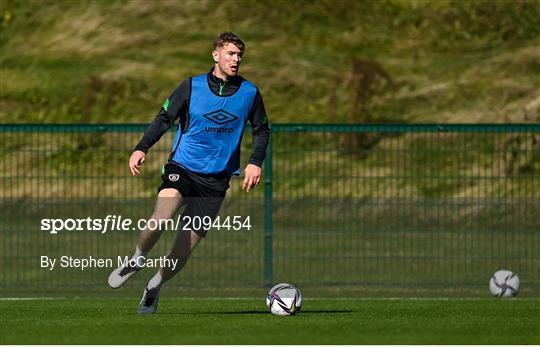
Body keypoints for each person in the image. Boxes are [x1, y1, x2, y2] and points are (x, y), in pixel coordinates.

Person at [107, 32, 269, 314]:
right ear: (216, 55)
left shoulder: (249, 93)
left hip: (216, 181)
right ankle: (136, 259)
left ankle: (154, 286)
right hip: (182, 168)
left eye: (240, 55)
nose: (237, 59)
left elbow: (261, 129)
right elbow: (163, 119)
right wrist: (141, 147)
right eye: (231, 53)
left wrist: (255, 161)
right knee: (160, 219)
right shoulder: (191, 87)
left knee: (182, 250)